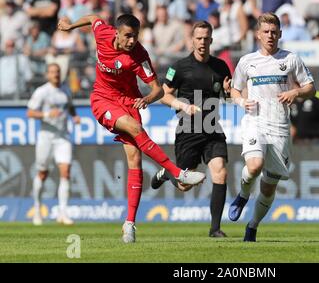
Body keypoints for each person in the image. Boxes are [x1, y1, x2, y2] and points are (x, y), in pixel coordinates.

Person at [57, 13, 206, 243]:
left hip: (130, 102)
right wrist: (70, 26)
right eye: (127, 36)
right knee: (134, 127)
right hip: (103, 99)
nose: (131, 41)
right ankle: (177, 172)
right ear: (116, 33)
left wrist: (147, 99)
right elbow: (94, 17)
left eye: (135, 36)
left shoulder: (139, 56)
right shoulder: (102, 33)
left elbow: (157, 89)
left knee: (134, 160)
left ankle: (129, 224)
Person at [228, 13, 315, 241]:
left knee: (268, 187)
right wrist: (240, 101)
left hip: (280, 127)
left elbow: (310, 87)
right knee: (254, 166)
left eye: (274, 32)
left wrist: (295, 91)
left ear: (280, 34)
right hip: (255, 121)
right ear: (258, 34)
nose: (270, 36)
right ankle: (243, 195)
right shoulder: (247, 61)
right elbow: (234, 90)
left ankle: (252, 226)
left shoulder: (291, 59)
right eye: (266, 32)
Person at [151, 21, 232, 238]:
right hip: (188, 130)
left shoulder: (221, 67)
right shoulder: (178, 68)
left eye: (206, 38)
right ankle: (167, 173)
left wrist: (229, 92)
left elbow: (229, 96)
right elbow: (162, 95)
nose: (202, 42)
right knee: (184, 185)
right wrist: (183, 105)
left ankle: (215, 229)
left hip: (213, 128)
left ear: (211, 40)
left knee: (220, 172)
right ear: (192, 40)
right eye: (198, 38)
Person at [27, 63, 80, 226]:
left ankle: (62, 213)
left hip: (62, 136)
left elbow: (69, 107)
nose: (55, 74)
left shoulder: (66, 90)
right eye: (52, 72)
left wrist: (74, 116)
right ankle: (37, 209)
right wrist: (47, 114)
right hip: (46, 136)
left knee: (66, 171)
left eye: (57, 72)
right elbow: (29, 112)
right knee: (42, 173)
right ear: (47, 74)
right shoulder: (42, 91)